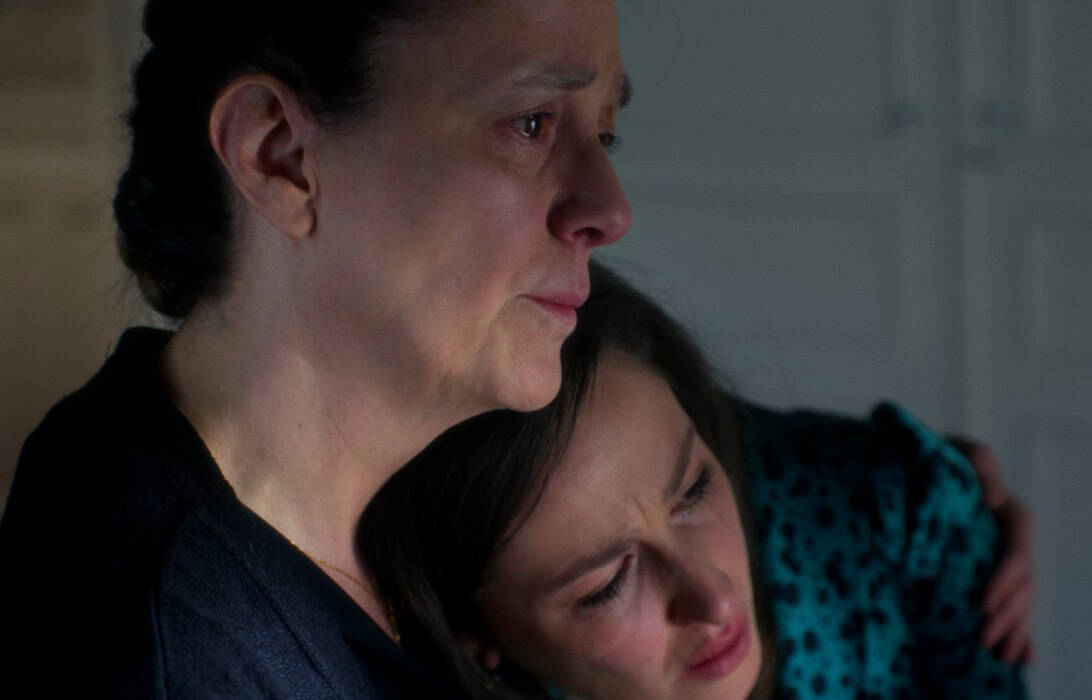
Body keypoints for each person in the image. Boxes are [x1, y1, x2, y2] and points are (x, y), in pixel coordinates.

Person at [0, 0, 631, 695]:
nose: (610, 210)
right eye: (532, 123)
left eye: (605, 134)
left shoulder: (425, 520)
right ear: (280, 155)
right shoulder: (176, 654)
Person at [358, 262, 1031, 698]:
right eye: (608, 585)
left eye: (695, 489)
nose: (712, 598)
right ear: (477, 635)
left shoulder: (899, 506)